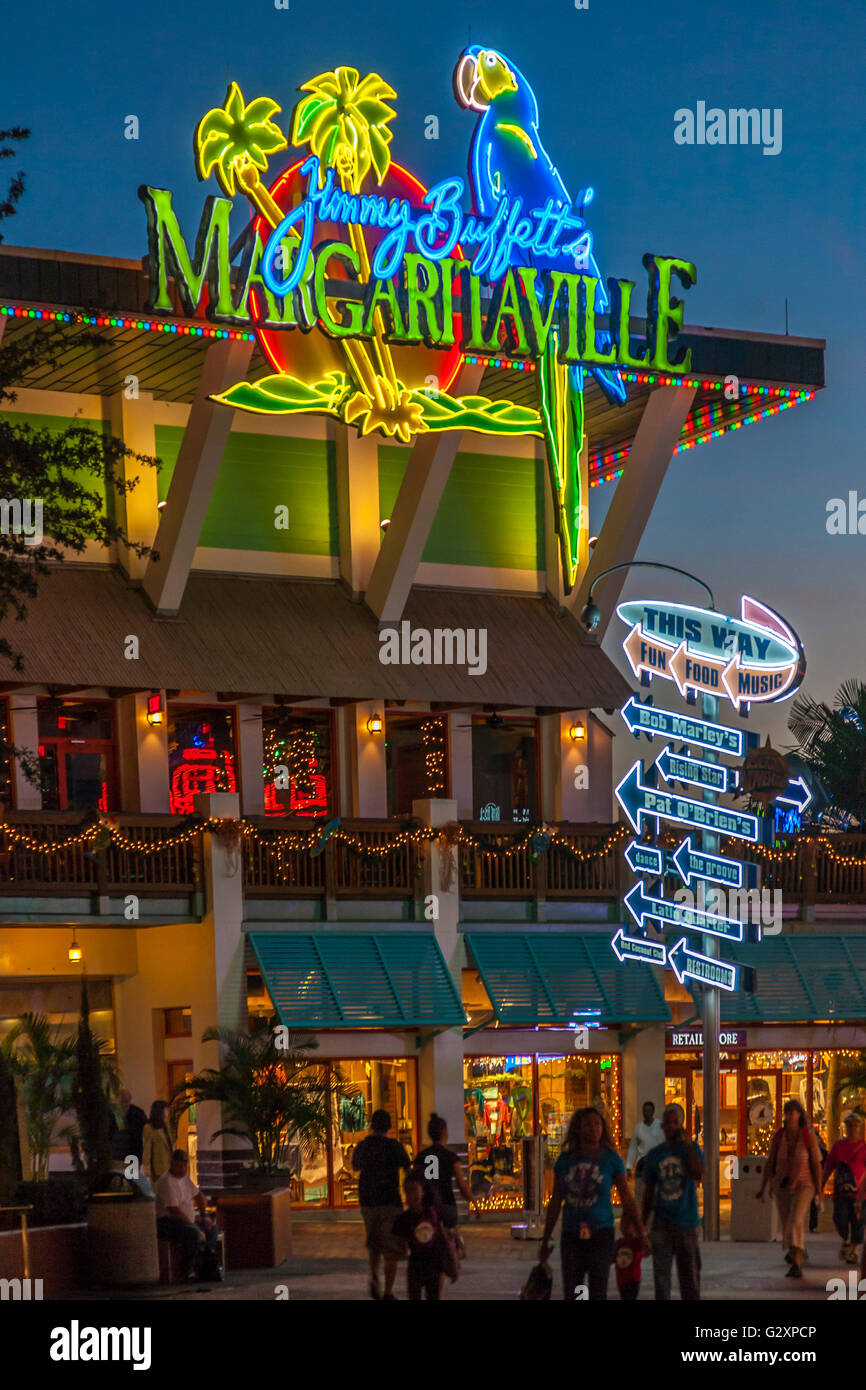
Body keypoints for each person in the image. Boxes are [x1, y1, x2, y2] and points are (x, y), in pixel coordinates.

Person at [539, 1106, 649, 1301]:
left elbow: (626, 1197)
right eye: (588, 1124)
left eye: (597, 1124)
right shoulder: (565, 1161)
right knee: (576, 1289)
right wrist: (546, 1238)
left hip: (601, 1233)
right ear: (578, 1129)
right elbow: (556, 1201)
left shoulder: (611, 1159)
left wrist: (641, 1231)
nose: (593, 1128)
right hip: (572, 1234)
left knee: (598, 1289)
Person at [642, 1103, 703, 1301]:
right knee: (661, 1281)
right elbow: (648, 1193)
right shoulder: (655, 1155)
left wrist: (687, 1145)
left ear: (681, 1125)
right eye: (668, 1123)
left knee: (690, 1281)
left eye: (675, 1122)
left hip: (686, 1222)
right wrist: (643, 1225)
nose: (671, 1126)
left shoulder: (690, 1149)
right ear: (662, 1126)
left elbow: (698, 1173)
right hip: (662, 1223)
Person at [756, 1098, 823, 1279]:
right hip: (782, 1186)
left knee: (795, 1220)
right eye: (786, 1112)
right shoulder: (779, 1136)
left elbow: (816, 1164)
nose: (789, 1116)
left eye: (792, 1112)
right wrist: (764, 1187)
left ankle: (796, 1263)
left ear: (799, 1114)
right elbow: (770, 1162)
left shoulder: (808, 1136)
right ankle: (797, 1252)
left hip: (804, 1185)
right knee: (787, 1224)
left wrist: (819, 1190)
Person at [352, 1108, 411, 1301]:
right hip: (390, 1202)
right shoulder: (394, 1146)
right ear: (389, 1126)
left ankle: (374, 1274)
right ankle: (388, 1292)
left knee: (374, 1242)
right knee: (392, 1249)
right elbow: (407, 1169)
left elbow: (355, 1166)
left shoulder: (363, 1146)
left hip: (368, 1202)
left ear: (371, 1125)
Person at [155, 1149, 220, 1280]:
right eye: (178, 1165)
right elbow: (174, 1211)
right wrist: (195, 1227)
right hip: (168, 1222)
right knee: (193, 1233)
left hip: (187, 1220)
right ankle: (188, 1270)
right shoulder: (167, 1181)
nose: (182, 1169)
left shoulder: (185, 1178)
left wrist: (204, 1215)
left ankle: (205, 1262)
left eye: (184, 1166)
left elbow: (199, 1196)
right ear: (172, 1164)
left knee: (211, 1229)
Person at [413, 1113, 474, 1232]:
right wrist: (473, 1202)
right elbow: (461, 1185)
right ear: (444, 1132)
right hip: (447, 1204)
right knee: (450, 1239)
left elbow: (415, 1182)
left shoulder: (421, 1157)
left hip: (427, 1206)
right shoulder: (451, 1157)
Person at [393, 1175, 450, 1301]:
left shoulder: (433, 1213)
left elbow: (443, 1237)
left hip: (434, 1264)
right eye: (407, 1191)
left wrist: (452, 1261)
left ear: (423, 1191)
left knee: (433, 1295)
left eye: (414, 1190)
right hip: (416, 1265)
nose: (410, 1196)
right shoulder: (404, 1218)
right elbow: (400, 1245)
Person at [822, 1112, 866, 1263]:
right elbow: (828, 1168)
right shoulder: (838, 1147)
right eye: (849, 1125)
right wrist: (820, 1187)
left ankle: (854, 1251)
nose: (852, 1128)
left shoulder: (864, 1147)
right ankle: (845, 1239)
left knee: (858, 1223)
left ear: (860, 1128)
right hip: (841, 1192)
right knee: (839, 1218)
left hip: (860, 1193)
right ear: (845, 1127)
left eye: (855, 1125)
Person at [626, 1100, 664, 1205]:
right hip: (642, 1165)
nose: (647, 1113)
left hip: (657, 1164)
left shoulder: (660, 1126)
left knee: (655, 1194)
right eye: (645, 1111)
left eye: (649, 1111)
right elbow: (633, 1147)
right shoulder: (638, 1128)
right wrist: (629, 1166)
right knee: (640, 1194)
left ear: (653, 1111)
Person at [111, 1089, 147, 1165]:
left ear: (130, 1101)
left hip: (133, 1154)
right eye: (121, 1102)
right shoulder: (112, 1114)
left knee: (132, 1176)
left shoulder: (138, 1113)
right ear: (117, 1101)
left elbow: (145, 1132)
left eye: (126, 1102)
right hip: (116, 1156)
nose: (124, 1105)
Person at [614, 1212, 644, 1301]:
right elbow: (613, 1257)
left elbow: (646, 1250)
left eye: (628, 1225)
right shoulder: (619, 1243)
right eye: (623, 1224)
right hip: (621, 1279)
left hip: (633, 1279)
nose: (625, 1227)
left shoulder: (637, 1242)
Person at [142, 1100, 174, 1182]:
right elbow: (147, 1149)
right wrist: (147, 1168)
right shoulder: (149, 1128)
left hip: (170, 1165)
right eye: (165, 1110)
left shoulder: (166, 1126)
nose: (167, 1113)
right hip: (158, 1167)